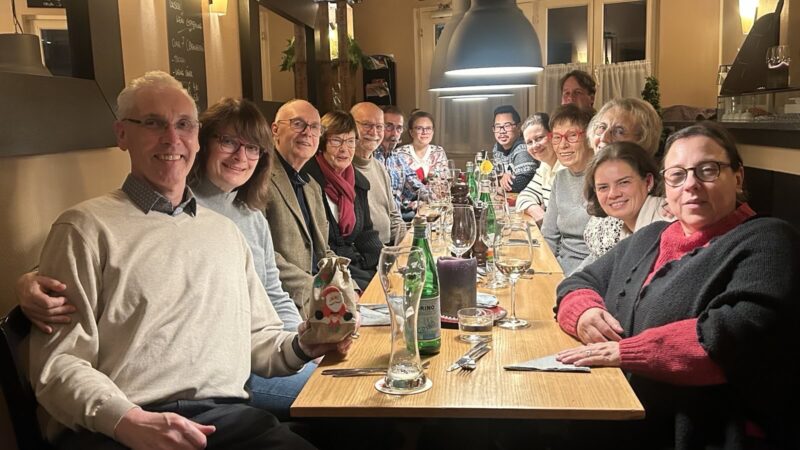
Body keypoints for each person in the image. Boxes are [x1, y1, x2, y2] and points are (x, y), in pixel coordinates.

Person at [28, 71, 351, 449]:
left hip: (227, 419)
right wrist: (127, 420)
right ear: (122, 134)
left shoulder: (226, 232)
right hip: (123, 426)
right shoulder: (84, 228)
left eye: (184, 125)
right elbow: (59, 365)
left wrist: (306, 344)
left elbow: (258, 339)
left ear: (196, 138)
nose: (172, 138)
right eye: (153, 123)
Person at [555, 122, 800, 449]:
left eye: (708, 170)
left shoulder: (769, 240)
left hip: (699, 433)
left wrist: (626, 352)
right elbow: (580, 282)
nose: (691, 185)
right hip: (618, 411)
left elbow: (737, 333)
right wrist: (584, 312)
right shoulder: (651, 236)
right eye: (677, 175)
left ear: (738, 177)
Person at [266, 99, 336, 312]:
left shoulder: (312, 186)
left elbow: (324, 251)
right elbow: (264, 255)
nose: (308, 133)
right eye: (298, 124)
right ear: (275, 130)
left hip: (320, 297)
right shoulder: (259, 179)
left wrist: (345, 284)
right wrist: (317, 290)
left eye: (315, 127)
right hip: (284, 303)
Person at [580, 98, 666, 265]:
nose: (604, 137)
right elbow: (596, 259)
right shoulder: (598, 178)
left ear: (643, 140)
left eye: (618, 131)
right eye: (601, 127)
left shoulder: (661, 203)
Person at [303, 110, 383, 290]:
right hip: (326, 271)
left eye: (350, 141)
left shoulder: (358, 182)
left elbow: (366, 233)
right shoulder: (308, 180)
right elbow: (315, 247)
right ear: (322, 143)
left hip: (356, 265)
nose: (344, 149)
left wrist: (387, 263)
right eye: (336, 141)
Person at [580, 142, 673, 267]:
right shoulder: (627, 229)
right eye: (603, 187)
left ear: (648, 182)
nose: (613, 194)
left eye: (623, 182)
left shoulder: (666, 223)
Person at [540, 104, 594, 275]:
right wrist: (544, 271)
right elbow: (549, 236)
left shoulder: (604, 180)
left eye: (572, 136)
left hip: (589, 275)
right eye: (556, 137)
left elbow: (604, 252)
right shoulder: (561, 178)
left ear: (589, 137)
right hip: (558, 268)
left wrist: (569, 281)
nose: (562, 145)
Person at [350, 102, 405, 245]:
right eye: (366, 125)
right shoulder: (343, 168)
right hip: (367, 253)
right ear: (350, 126)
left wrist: (407, 244)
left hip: (389, 247)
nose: (374, 132)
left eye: (379, 127)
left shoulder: (379, 167)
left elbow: (394, 216)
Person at [373, 105, 430, 221]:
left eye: (398, 128)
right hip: (378, 225)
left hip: (398, 224)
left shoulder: (398, 159)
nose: (394, 133)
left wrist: (438, 196)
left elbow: (417, 188)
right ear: (379, 128)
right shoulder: (370, 158)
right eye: (389, 127)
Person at [515, 112, 564, 224]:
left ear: (553, 136)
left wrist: (545, 221)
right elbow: (523, 197)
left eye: (539, 138)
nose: (535, 146)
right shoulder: (545, 166)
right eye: (529, 142)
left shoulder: (565, 168)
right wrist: (539, 213)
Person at [489, 105, 539, 193]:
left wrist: (499, 182)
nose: (502, 131)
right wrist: (501, 178)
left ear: (518, 127)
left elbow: (521, 184)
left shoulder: (523, 148)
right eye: (498, 126)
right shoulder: (497, 147)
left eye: (507, 126)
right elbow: (492, 176)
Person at [396, 109, 448, 182]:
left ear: (433, 131)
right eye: (419, 128)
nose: (424, 132)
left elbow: (445, 180)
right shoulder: (399, 154)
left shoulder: (438, 152)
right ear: (411, 132)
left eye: (428, 128)